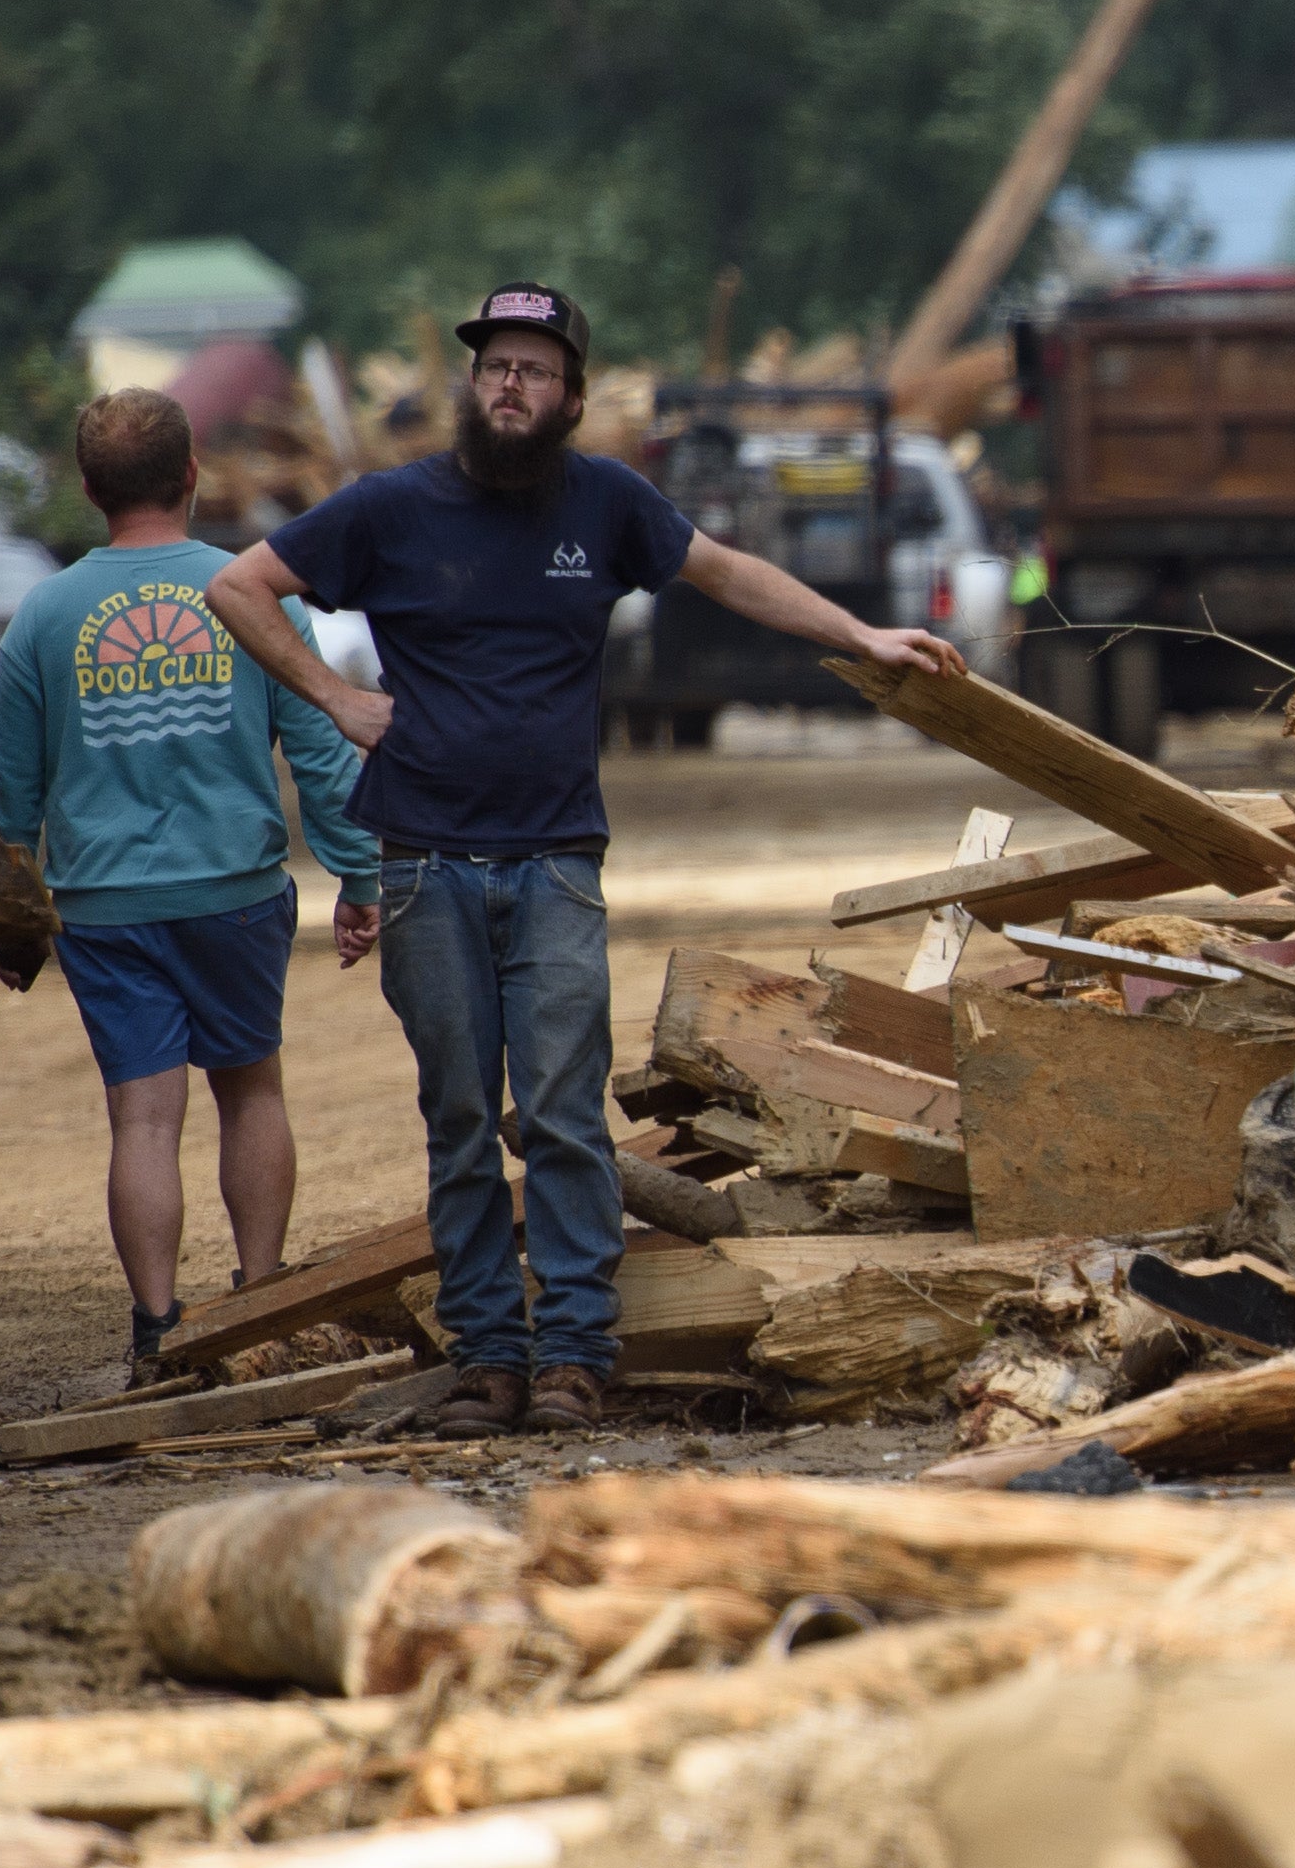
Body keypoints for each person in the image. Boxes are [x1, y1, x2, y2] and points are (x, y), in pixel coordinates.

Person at [206, 283, 943, 1433]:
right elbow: (238, 584)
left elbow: (729, 573)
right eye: (494, 365)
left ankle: (575, 1358)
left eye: (534, 370)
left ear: (571, 398)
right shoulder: (392, 508)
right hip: (425, 865)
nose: (510, 384)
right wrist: (336, 697)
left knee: (559, 1115)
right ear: (472, 384)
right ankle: (489, 1358)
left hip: (554, 862)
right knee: (456, 1114)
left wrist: (860, 633)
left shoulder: (604, 503)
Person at [0, 387, 383, 1383]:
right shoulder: (251, 589)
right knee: (251, 1090)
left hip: (104, 904)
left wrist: (10, 911)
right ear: (194, 471)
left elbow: (9, 791)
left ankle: (158, 1328)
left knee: (143, 1118)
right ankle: (259, 1302)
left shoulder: (45, 614)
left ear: (85, 489)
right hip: (236, 892)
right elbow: (320, 750)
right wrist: (357, 872)